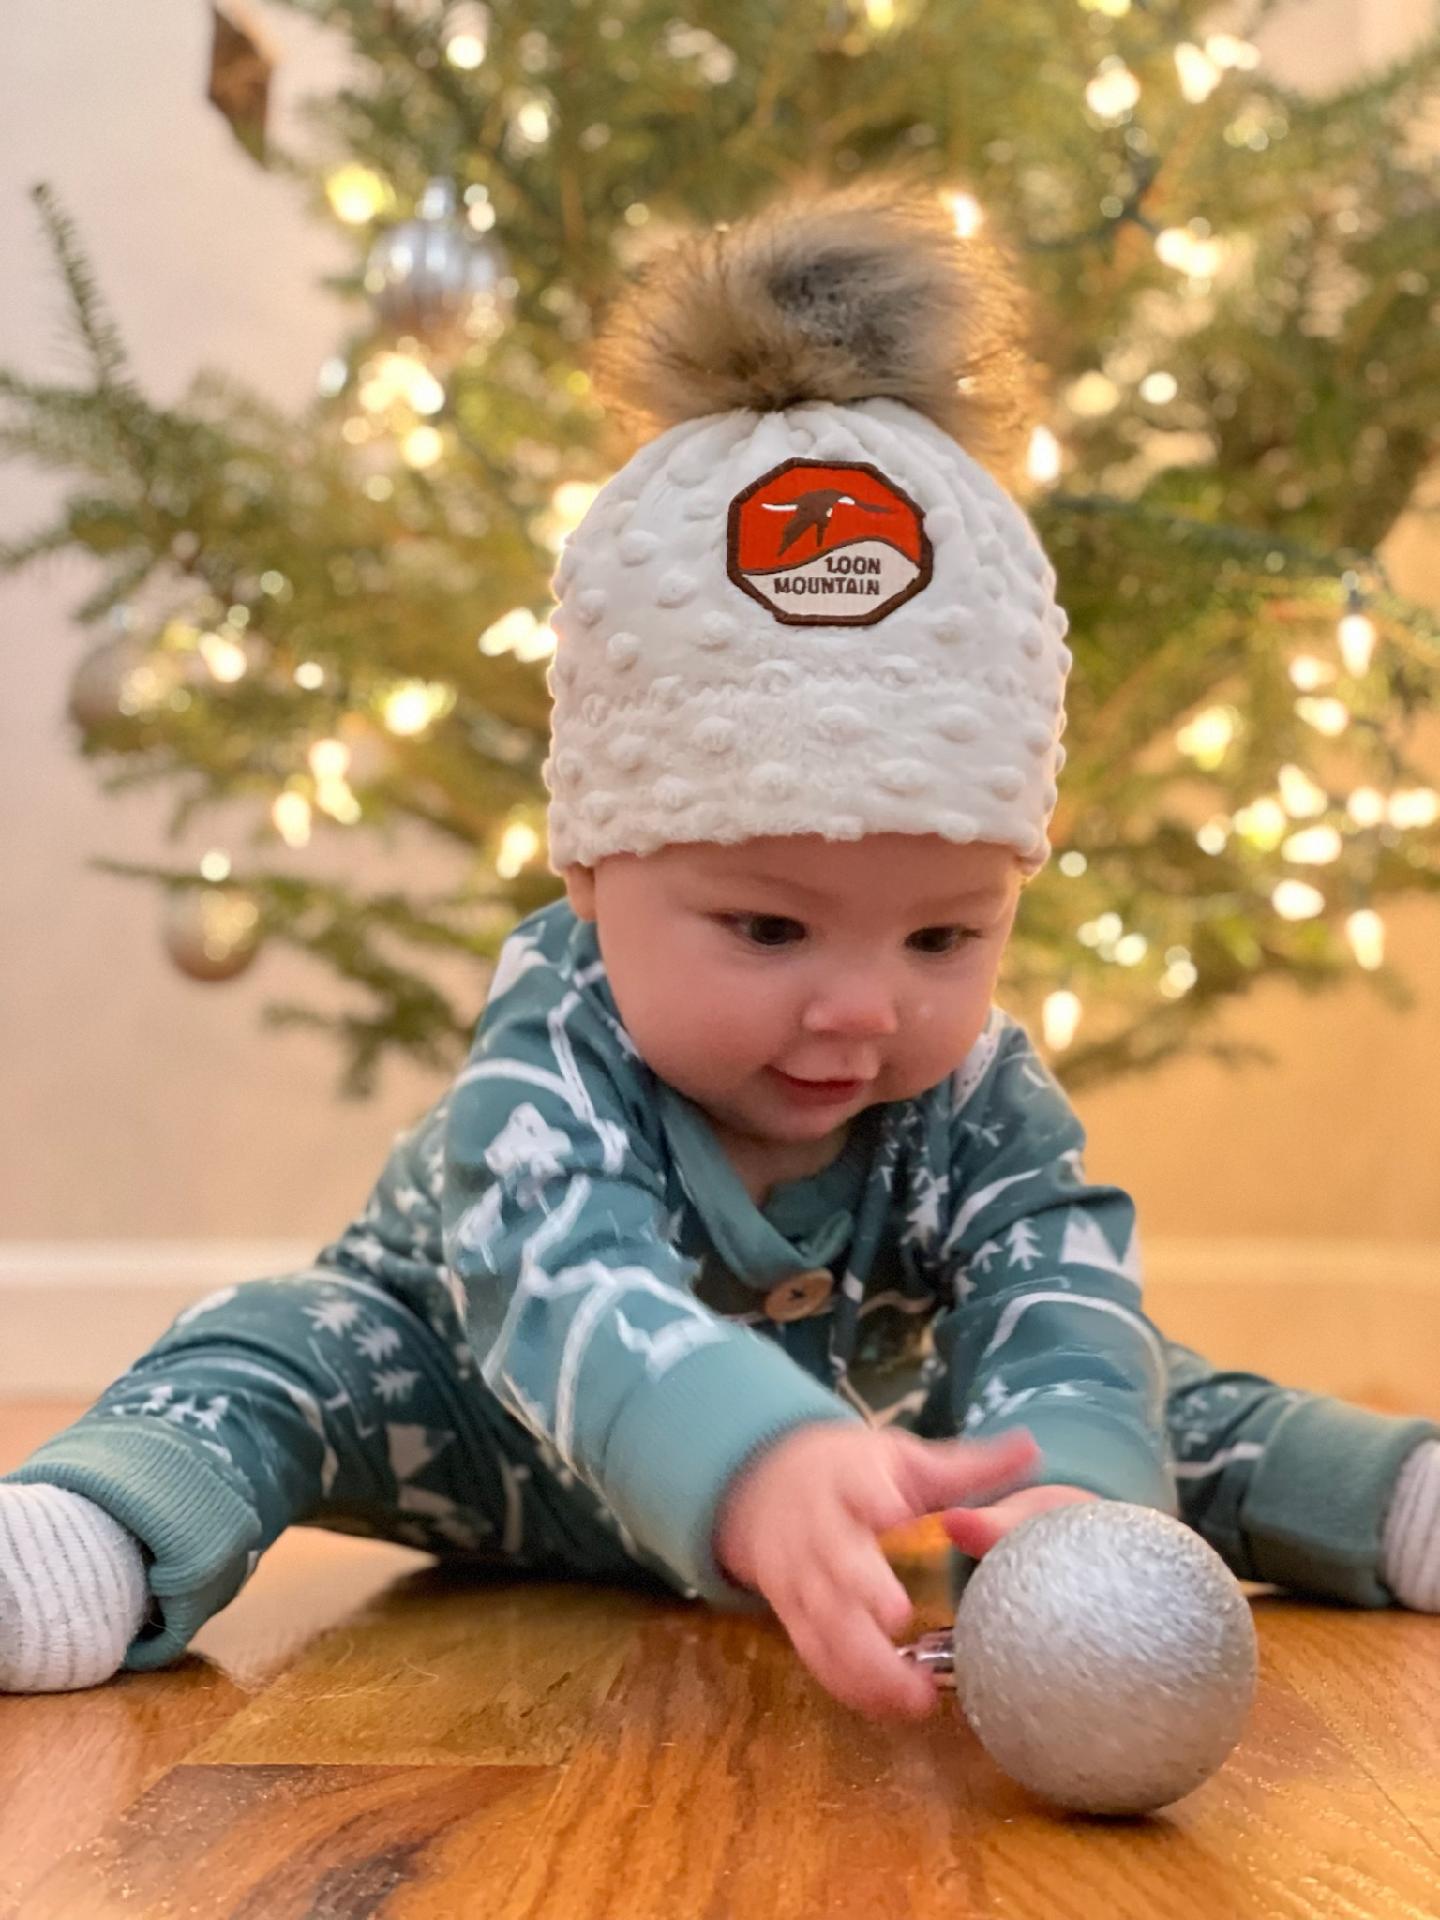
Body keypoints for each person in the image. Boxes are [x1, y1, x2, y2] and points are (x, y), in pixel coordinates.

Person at [3, 178, 1437, 1715]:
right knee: (270, 1351)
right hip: (481, 1426)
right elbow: (565, 1277)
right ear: (594, 872)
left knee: (1130, 1396)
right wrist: (756, 1461)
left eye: (947, 933)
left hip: (863, 1437)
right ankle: (90, 1538)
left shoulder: (976, 1099)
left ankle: (1395, 1499)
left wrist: (1069, 1510)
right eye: (766, 926)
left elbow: (1055, 1294)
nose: (860, 1007)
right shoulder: (555, 1052)